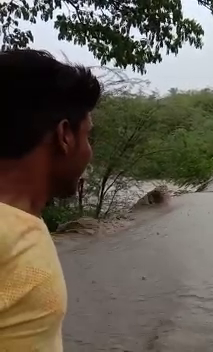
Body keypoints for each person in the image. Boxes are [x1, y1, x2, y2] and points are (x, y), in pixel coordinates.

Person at [0, 49, 102, 350]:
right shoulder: (10, 241)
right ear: (65, 136)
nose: (89, 152)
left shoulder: (23, 225)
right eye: (88, 136)